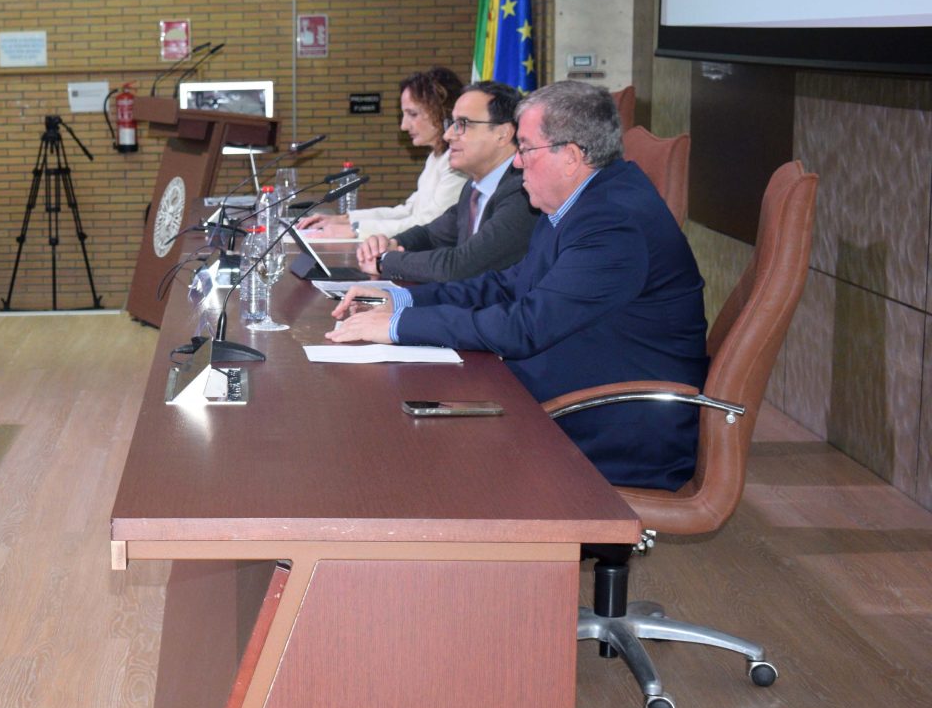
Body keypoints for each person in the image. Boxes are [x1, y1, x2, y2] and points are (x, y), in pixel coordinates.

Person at [327, 81, 708, 491]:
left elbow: (524, 327)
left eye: (525, 148)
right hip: (567, 387)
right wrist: (401, 298)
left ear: (570, 157)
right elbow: (508, 285)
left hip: (611, 425)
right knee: (401, 404)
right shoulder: (578, 201)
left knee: (408, 442)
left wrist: (397, 326)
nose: (516, 163)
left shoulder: (613, 224)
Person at [352, 81, 539, 284]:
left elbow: (461, 266)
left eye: (462, 124)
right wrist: (389, 244)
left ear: (503, 134)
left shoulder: (523, 191)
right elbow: (431, 235)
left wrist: (386, 261)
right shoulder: (474, 188)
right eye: (451, 124)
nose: (447, 135)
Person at [298, 67, 466, 240]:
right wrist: (344, 220)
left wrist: (355, 230)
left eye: (413, 114)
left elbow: (428, 224)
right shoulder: (436, 157)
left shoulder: (457, 163)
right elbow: (407, 211)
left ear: (443, 111)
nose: (404, 126)